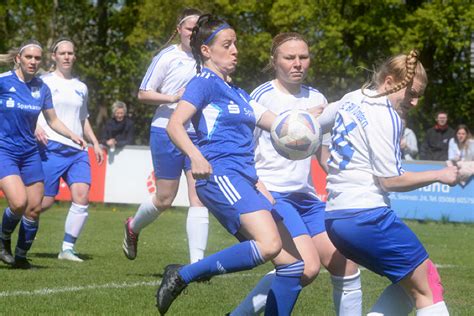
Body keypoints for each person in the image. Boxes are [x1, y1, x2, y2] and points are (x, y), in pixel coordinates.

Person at [156, 15, 306, 315]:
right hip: (219, 175)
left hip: (245, 179)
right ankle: (182, 274)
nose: (236, 50)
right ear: (206, 51)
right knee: (268, 245)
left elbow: (280, 125)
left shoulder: (238, 92)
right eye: (227, 44)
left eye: (235, 43)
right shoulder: (203, 83)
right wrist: (196, 156)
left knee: (293, 266)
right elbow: (175, 125)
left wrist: (321, 118)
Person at [230, 32, 361, 316]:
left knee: (345, 263)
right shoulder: (261, 97)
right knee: (306, 266)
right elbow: (243, 152)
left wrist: (355, 177)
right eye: (290, 57)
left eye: (303, 57)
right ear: (274, 60)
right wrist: (256, 188)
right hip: (274, 194)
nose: (298, 63)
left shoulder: (318, 98)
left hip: (306, 197)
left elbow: (324, 157)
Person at [324, 50, 458, 315]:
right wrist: (440, 174)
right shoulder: (386, 115)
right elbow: (391, 181)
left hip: (336, 220)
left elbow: (312, 124)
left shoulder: (352, 98)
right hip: (366, 216)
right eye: (411, 93)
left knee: (409, 284)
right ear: (388, 81)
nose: (415, 102)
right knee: (428, 284)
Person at [122, 8, 210, 265]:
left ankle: (197, 265)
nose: (193, 33)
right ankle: (133, 226)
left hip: (197, 135)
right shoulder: (167, 57)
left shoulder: (208, 59)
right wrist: (173, 97)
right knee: (164, 198)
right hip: (166, 130)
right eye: (189, 28)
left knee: (199, 196)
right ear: (179, 30)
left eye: (198, 29)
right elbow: (143, 93)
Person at [0, 40, 85, 269]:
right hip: (4, 150)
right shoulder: (3, 82)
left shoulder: (41, 88)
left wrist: (72, 135)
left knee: (34, 207)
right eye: (29, 57)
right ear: (19, 58)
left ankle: (20, 257)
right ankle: (3, 239)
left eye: (37, 58)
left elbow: (53, 120)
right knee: (18, 203)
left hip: (29, 153)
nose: (33, 62)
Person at [34, 38, 104, 262]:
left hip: (78, 149)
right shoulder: (43, 81)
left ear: (74, 57)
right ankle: (8, 227)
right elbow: (31, 109)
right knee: (42, 203)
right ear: (54, 56)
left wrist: (95, 142)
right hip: (50, 147)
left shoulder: (81, 87)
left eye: (70, 53)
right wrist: (35, 127)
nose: (66, 56)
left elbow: (83, 119)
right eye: (62, 53)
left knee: (82, 196)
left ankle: (67, 249)